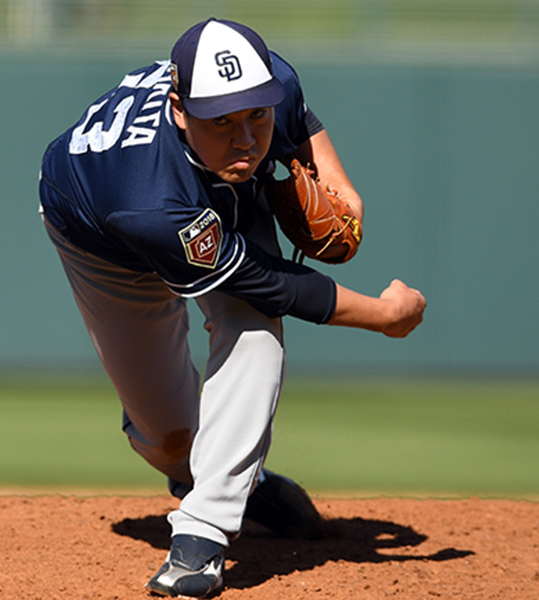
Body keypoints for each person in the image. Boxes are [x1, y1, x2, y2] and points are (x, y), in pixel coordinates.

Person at [38, 18, 425, 598]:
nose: (245, 138)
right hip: (101, 237)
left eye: (256, 117)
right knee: (167, 439)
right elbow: (275, 285)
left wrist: (343, 191)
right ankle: (219, 475)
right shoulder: (147, 202)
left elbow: (299, 118)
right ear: (179, 109)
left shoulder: (274, 84)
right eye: (221, 121)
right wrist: (383, 315)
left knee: (254, 336)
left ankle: (200, 538)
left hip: (218, 195)